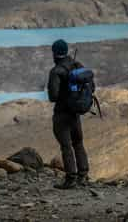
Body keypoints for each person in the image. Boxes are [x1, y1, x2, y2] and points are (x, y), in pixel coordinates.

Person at [47, 39, 90, 189]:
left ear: (54, 53)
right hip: (75, 113)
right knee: (78, 143)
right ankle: (83, 175)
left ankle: (70, 178)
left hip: (62, 114)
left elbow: (53, 96)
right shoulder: (77, 66)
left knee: (66, 146)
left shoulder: (56, 71)